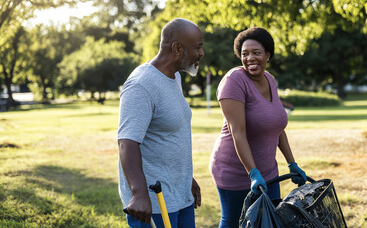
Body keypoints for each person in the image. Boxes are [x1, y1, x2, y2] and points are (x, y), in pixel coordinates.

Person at [209, 27, 307, 227]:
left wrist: (292, 164)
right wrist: (252, 172)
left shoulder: (270, 80)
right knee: (235, 222)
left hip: (269, 172)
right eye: (244, 54)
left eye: (256, 53)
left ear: (267, 55)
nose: (250, 58)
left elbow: (277, 126)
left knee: (270, 221)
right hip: (235, 172)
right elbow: (238, 132)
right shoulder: (233, 81)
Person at [117, 18, 204, 228]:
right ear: (177, 48)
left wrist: (187, 178)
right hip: (153, 203)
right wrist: (139, 194)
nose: (202, 53)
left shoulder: (174, 77)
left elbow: (170, 134)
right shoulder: (141, 84)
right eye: (198, 47)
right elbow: (127, 142)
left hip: (179, 194)